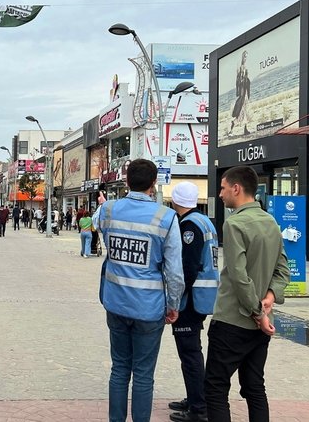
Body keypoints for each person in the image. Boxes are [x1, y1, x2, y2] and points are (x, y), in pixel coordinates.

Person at [92, 159, 184, 422]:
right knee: (143, 374)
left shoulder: (109, 210)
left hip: (116, 303)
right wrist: (173, 304)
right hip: (149, 307)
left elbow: (95, 225)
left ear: (126, 181)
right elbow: (174, 271)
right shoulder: (166, 217)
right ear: (154, 183)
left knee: (119, 368)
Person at [204, 166, 290, 422]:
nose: (220, 194)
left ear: (236, 188)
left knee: (216, 387)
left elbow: (239, 277)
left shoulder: (234, 223)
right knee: (254, 386)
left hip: (233, 320)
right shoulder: (270, 221)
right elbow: (283, 269)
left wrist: (257, 311)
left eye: (222, 188)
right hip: (260, 327)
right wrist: (270, 298)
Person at [168, 182, 219, 422]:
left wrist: (174, 297)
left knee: (189, 353)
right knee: (192, 352)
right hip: (201, 295)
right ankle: (196, 396)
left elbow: (187, 267)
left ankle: (199, 409)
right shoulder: (203, 220)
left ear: (176, 200)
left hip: (191, 298)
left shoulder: (188, 226)